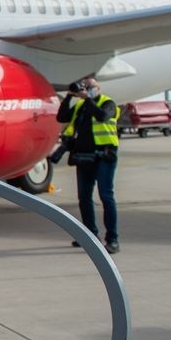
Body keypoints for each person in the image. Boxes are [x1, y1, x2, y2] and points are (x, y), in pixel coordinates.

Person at [57, 76, 121, 254]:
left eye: (90, 87)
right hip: (84, 157)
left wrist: (88, 99)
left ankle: (112, 239)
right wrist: (70, 96)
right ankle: (90, 236)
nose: (87, 89)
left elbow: (102, 116)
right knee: (84, 197)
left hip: (104, 156)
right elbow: (61, 117)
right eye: (85, 87)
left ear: (97, 88)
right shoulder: (80, 106)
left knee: (106, 196)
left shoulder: (108, 103)